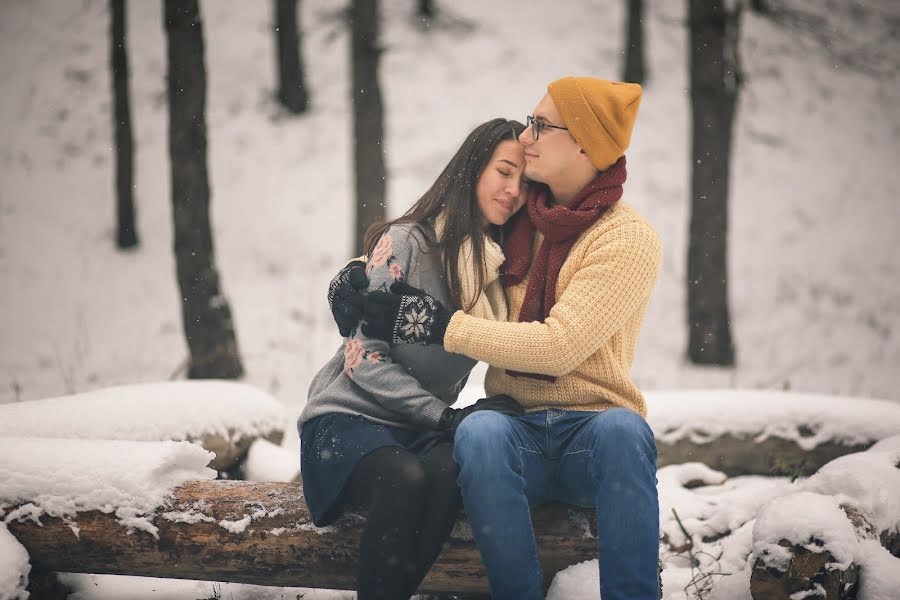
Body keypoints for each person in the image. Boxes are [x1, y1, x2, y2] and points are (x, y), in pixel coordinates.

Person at [331, 77, 663, 600]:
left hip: (593, 434)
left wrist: (442, 326)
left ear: (585, 144)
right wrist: (354, 275)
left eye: (541, 125)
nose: (527, 135)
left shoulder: (626, 239)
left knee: (626, 431)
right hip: (517, 427)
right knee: (479, 431)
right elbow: (435, 233)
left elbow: (558, 347)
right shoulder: (518, 218)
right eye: (529, 121)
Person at [298, 118, 530, 600]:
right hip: (348, 416)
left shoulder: (499, 272)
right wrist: (443, 416)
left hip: (421, 430)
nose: (513, 191)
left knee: (450, 473)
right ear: (472, 169)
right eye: (504, 171)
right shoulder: (409, 242)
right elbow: (362, 357)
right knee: (404, 478)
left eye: (526, 183)